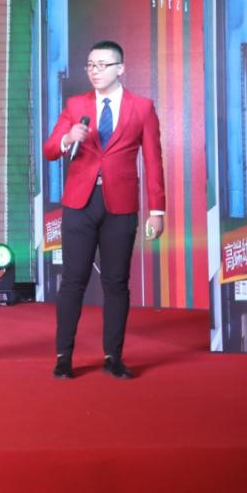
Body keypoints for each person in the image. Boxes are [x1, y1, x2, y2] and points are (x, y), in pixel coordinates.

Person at [44, 40, 165, 380]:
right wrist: (68, 137)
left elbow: (153, 161)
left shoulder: (142, 107)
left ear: (120, 68)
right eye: (90, 65)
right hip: (79, 204)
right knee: (73, 280)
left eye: (102, 65)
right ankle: (63, 357)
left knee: (116, 282)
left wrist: (157, 211)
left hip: (120, 204)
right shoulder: (75, 105)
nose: (94, 71)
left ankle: (113, 356)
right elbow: (50, 149)